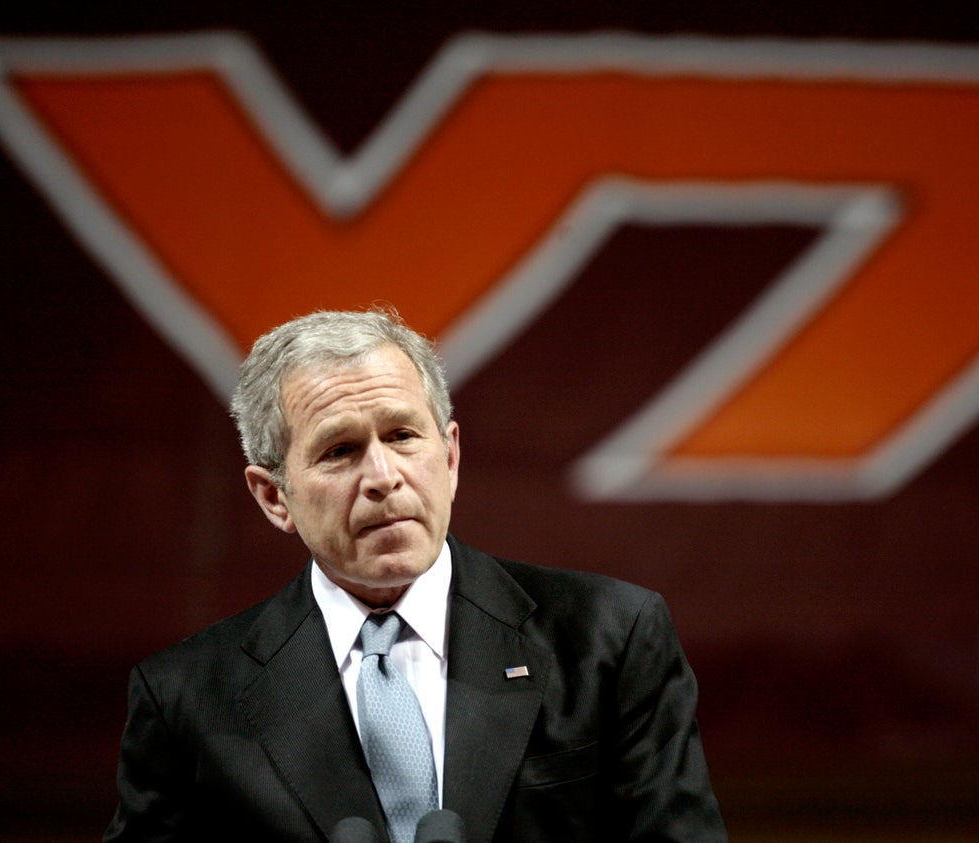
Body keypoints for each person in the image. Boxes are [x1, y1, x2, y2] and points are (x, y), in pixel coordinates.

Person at [104, 308, 727, 842]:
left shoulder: (607, 641)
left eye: (402, 435)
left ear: (449, 456)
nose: (382, 477)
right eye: (339, 451)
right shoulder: (185, 699)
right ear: (274, 497)